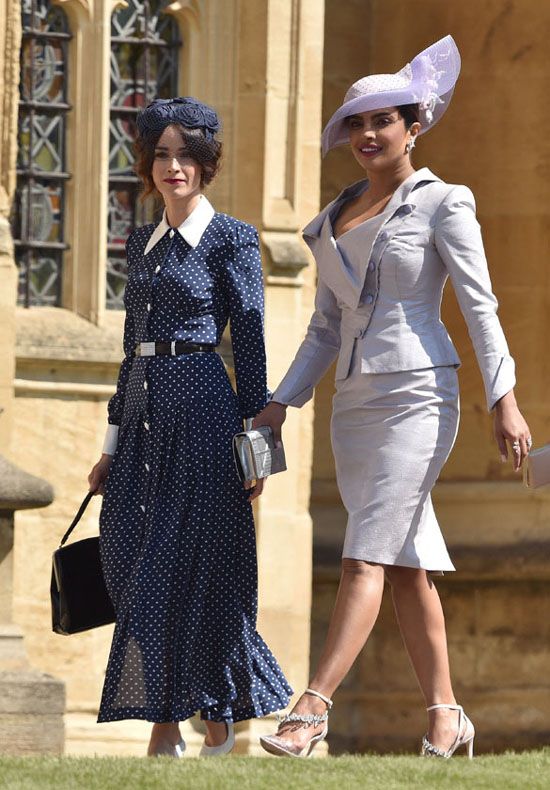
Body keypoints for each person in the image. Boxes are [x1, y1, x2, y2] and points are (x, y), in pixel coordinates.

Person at [255, 35, 531, 759]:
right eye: (357, 123)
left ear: (415, 126)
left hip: (419, 396)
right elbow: (323, 328)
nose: (368, 134)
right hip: (354, 407)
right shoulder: (328, 222)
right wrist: (280, 401)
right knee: (404, 564)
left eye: (384, 121)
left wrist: (505, 397)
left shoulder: (445, 202)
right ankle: (447, 716)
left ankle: (309, 711)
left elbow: (480, 305)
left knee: (362, 557)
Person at [88, 97, 291, 758]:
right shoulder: (137, 240)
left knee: (195, 565)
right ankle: (195, 711)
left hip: (204, 407)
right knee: (128, 559)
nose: (174, 167)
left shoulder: (231, 237)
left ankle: (190, 722)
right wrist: (110, 447)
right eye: (162, 155)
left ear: (207, 163)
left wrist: (254, 452)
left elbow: (252, 347)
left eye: (186, 155)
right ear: (147, 164)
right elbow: (129, 346)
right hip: (144, 418)